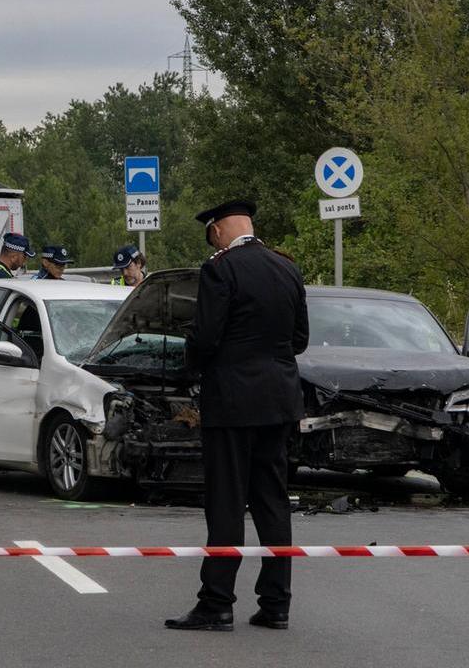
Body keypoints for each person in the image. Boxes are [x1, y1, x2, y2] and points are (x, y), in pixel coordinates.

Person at [165, 199, 308, 633]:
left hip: (232, 403)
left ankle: (216, 604)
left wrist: (188, 370)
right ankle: (276, 604)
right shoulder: (288, 269)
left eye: (212, 234)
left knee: (226, 502)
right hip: (280, 401)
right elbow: (300, 339)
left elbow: (206, 337)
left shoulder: (219, 270)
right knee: (272, 500)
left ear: (219, 231)